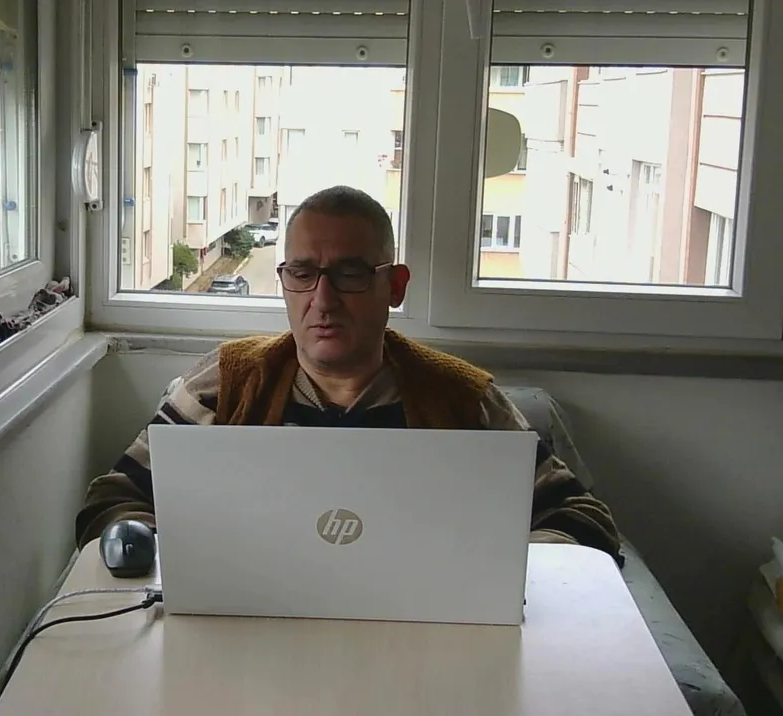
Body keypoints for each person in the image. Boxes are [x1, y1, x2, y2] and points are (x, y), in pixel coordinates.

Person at [75, 185, 622, 564]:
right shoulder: (227, 385)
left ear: (395, 286)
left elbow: (580, 516)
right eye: (302, 273)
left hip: (424, 642)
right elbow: (115, 498)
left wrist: (502, 570)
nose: (323, 300)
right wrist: (168, 554)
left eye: (350, 274)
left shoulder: (461, 399)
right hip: (251, 631)